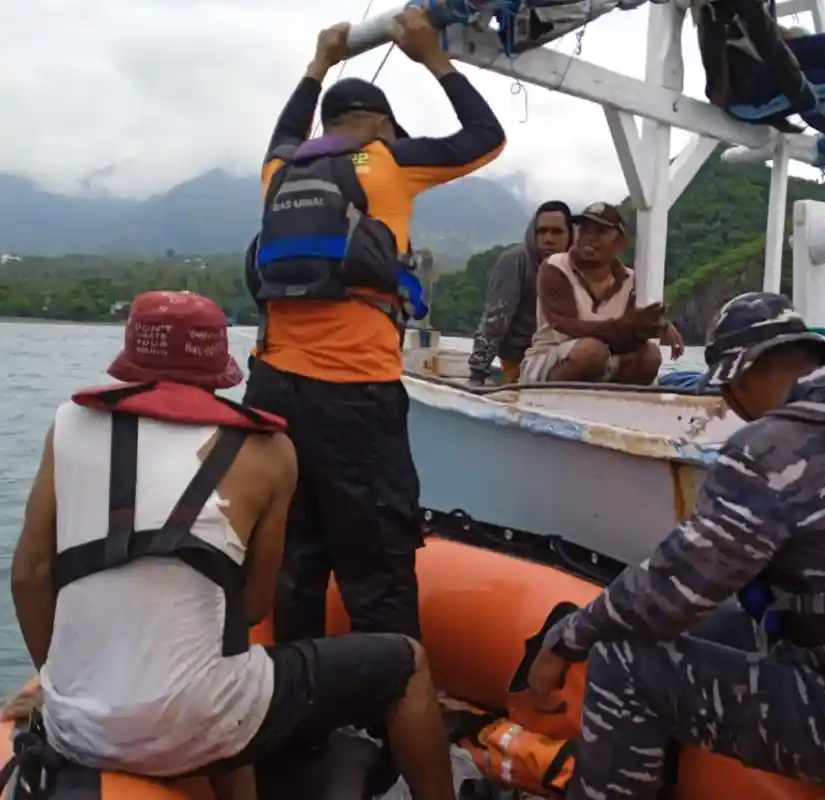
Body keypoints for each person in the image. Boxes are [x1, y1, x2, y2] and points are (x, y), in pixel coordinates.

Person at [523, 292, 825, 798]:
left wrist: (567, 640)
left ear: (738, 378)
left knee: (621, 661)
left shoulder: (769, 451)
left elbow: (671, 589)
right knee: (725, 622)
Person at [7, 291, 455, 800]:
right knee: (406, 663)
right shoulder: (270, 450)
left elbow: (29, 576)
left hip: (77, 728)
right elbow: (253, 606)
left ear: (132, 353)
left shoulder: (70, 423)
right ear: (217, 365)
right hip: (205, 722)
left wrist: (56, 686)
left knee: (221, 691)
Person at [243, 10, 505, 645]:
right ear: (382, 124)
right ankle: (388, 693)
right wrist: (432, 57)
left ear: (325, 124)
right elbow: (487, 137)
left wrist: (318, 63)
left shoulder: (280, 171)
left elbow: (285, 131)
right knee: (379, 567)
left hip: (270, 392)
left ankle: (303, 694)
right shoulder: (385, 159)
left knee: (295, 561)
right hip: (354, 394)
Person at [519, 202, 685, 385]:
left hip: (604, 361)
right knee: (591, 351)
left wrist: (657, 324)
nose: (590, 237)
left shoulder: (631, 280)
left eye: (601, 232)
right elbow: (566, 326)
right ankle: (546, 396)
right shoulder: (554, 266)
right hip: (548, 359)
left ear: (621, 243)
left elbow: (632, 333)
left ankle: (616, 399)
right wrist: (631, 326)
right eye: (585, 230)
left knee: (650, 355)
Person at [467, 201, 572, 386]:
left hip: (565, 354)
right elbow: (495, 321)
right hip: (521, 361)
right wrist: (477, 373)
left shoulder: (576, 266)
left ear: (570, 235)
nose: (548, 239)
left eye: (557, 232)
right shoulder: (515, 262)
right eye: (542, 231)